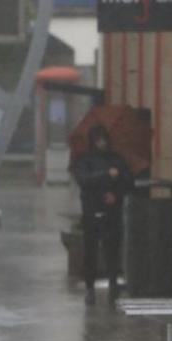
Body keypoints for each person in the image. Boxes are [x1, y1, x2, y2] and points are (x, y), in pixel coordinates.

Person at [71, 125, 133, 305]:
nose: (102, 143)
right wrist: (106, 174)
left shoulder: (117, 159)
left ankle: (113, 283)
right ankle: (90, 287)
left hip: (112, 211)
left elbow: (128, 181)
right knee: (91, 251)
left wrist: (116, 195)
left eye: (104, 139)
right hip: (91, 211)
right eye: (98, 140)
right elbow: (83, 180)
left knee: (112, 248)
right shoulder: (84, 160)